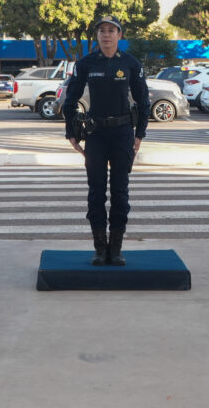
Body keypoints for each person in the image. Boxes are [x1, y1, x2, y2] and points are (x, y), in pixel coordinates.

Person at [62, 16, 150, 266]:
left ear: (119, 35)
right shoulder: (86, 63)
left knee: (120, 192)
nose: (107, 35)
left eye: (111, 31)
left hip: (123, 134)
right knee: (96, 193)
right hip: (96, 134)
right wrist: (71, 132)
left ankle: (116, 248)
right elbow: (71, 99)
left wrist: (139, 134)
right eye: (102, 31)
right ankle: (100, 248)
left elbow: (143, 101)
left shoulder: (131, 63)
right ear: (97, 36)